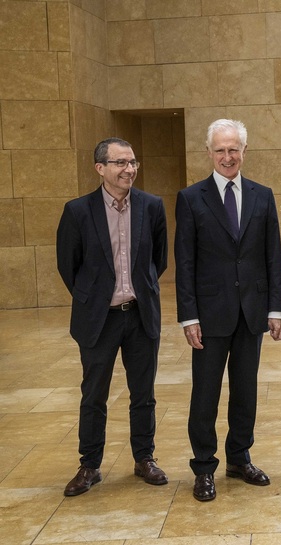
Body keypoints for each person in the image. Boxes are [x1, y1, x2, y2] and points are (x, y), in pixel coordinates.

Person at [175, 119, 281, 502]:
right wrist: (188, 316)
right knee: (205, 394)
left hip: (252, 312)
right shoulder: (191, 198)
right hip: (208, 315)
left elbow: (273, 254)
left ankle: (239, 458)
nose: (228, 156)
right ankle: (203, 466)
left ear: (244, 151)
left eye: (234, 149)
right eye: (220, 150)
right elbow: (184, 262)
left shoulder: (262, 195)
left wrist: (277, 308)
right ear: (209, 153)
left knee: (246, 391)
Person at [56, 138, 168, 496]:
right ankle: (89, 465)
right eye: (120, 163)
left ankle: (144, 458)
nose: (129, 170)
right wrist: (93, 297)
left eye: (133, 162)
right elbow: (68, 265)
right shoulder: (77, 211)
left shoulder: (151, 206)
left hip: (140, 315)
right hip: (98, 319)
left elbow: (158, 259)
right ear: (100, 168)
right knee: (93, 394)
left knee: (143, 394)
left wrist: (140, 288)